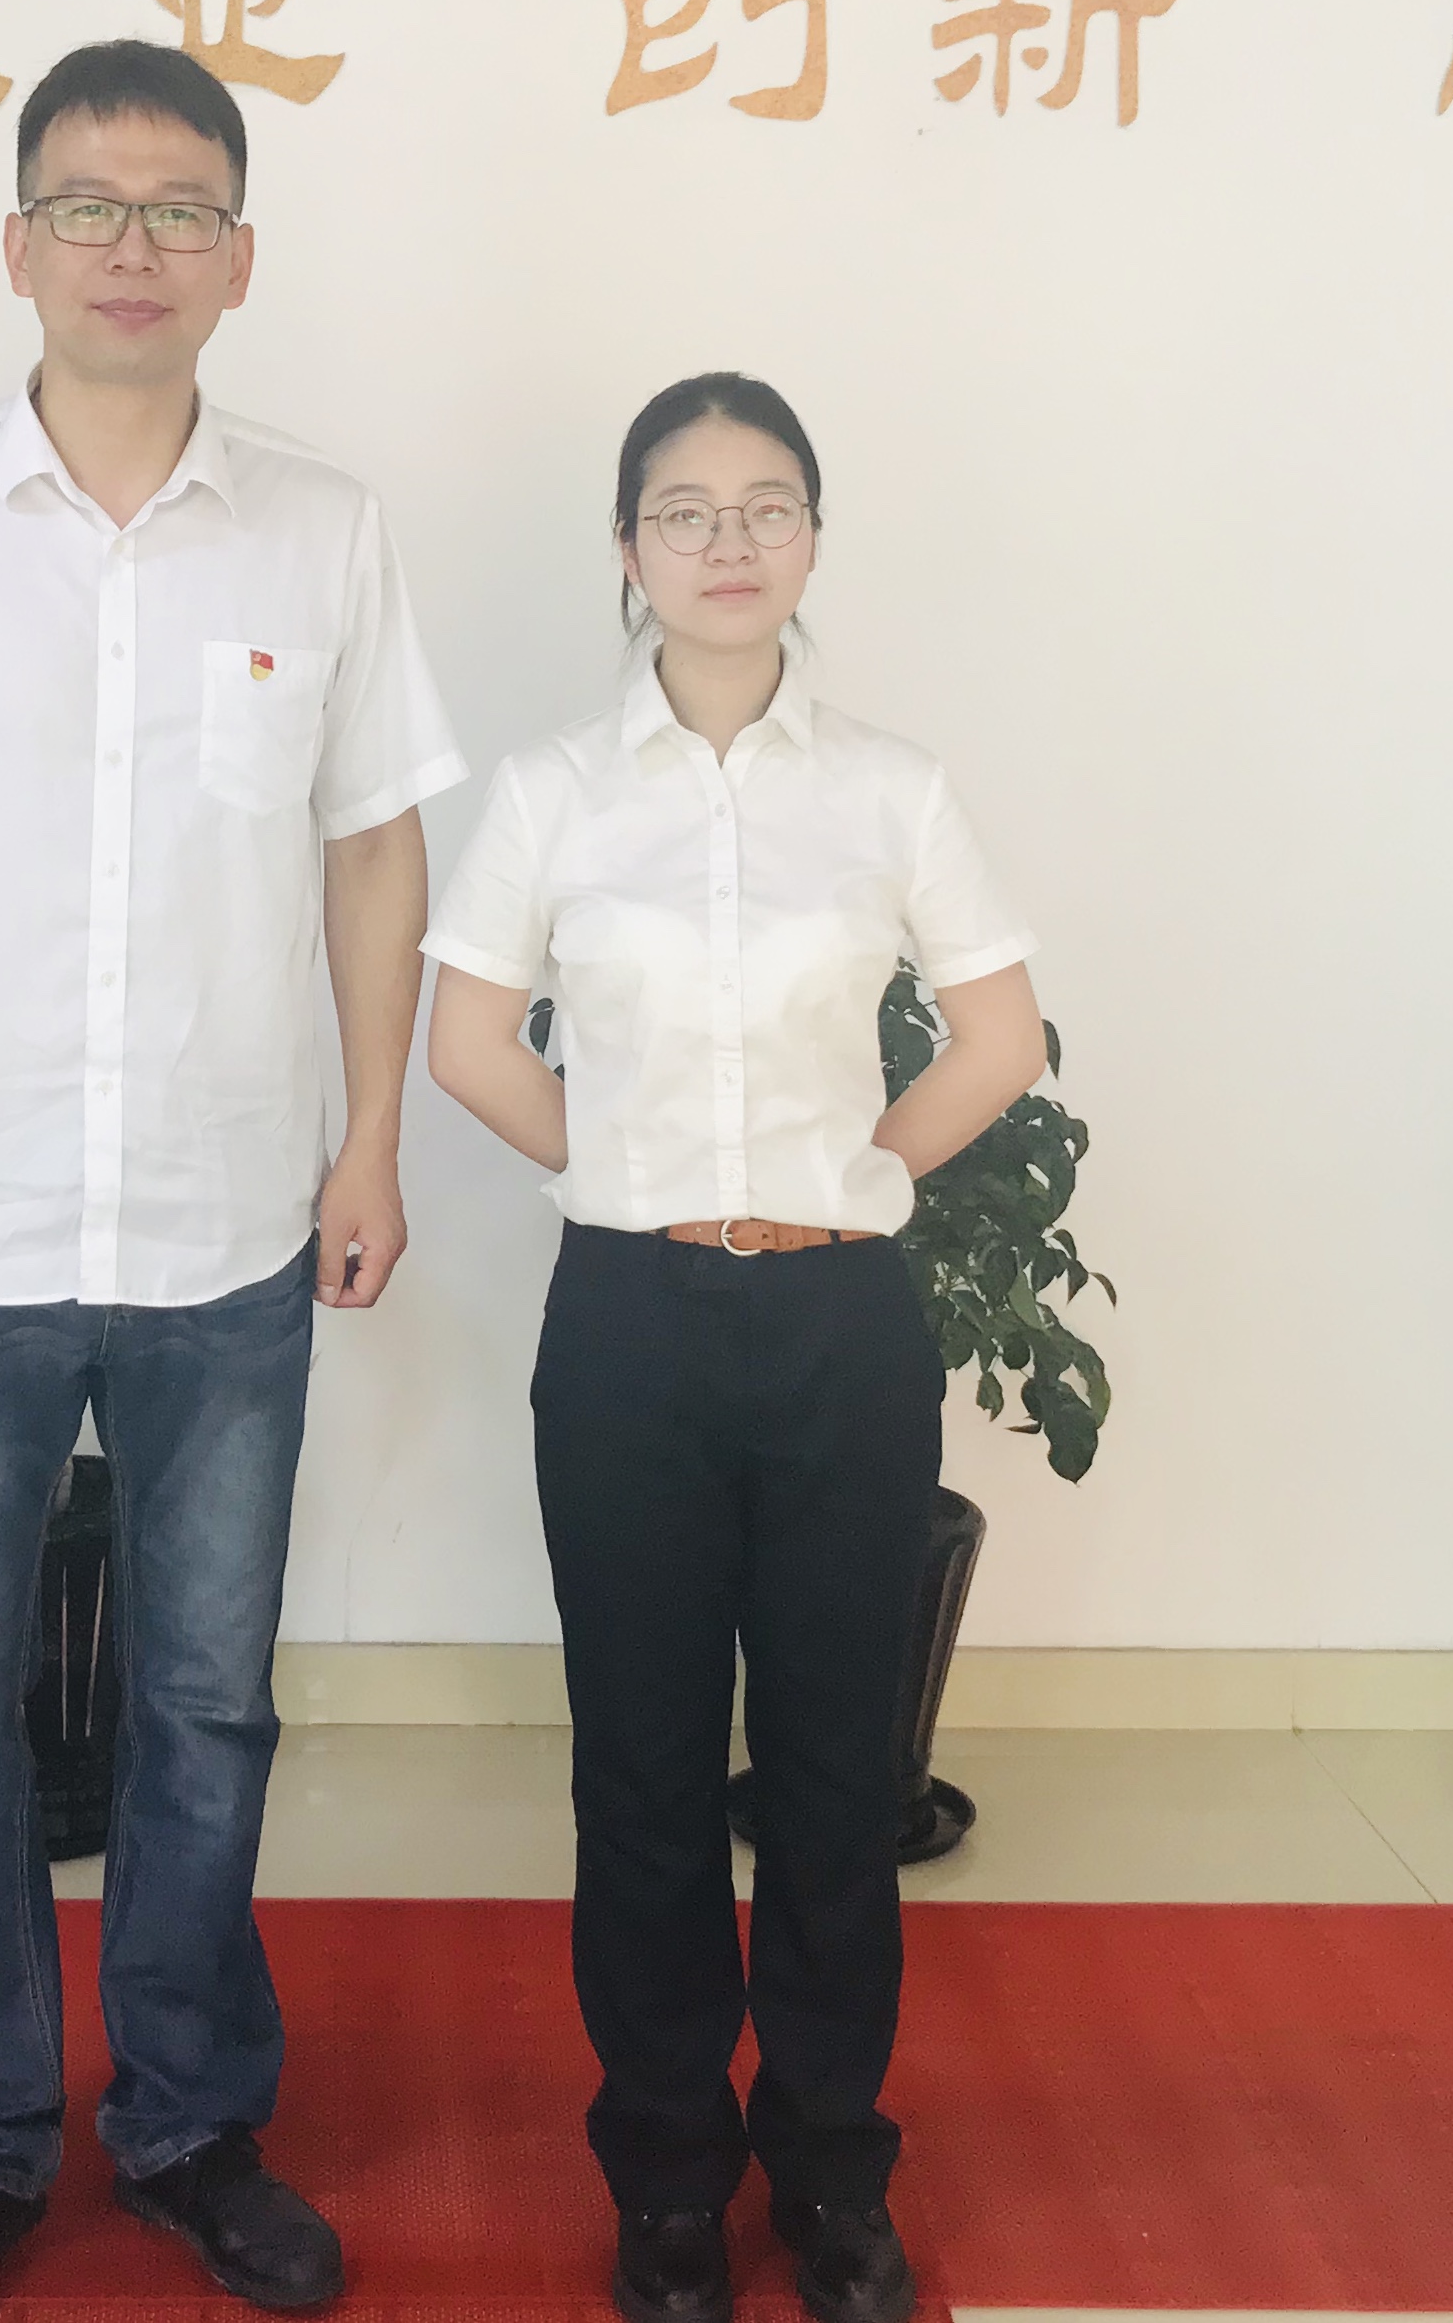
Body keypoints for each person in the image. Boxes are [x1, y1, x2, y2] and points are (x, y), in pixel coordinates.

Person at [0, 38, 466, 2323]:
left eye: (181, 209)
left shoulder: (323, 529)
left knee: (207, 1708)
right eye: (92, 206)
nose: (138, 246)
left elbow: (374, 845)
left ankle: (194, 2123)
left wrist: (370, 1134)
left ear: (243, 256)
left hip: (230, 1228)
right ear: (17, 243)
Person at [420, 375, 1045, 2323]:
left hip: (842, 1329)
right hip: (631, 1327)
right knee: (643, 1774)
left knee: (839, 1777)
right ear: (626, 550)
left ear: (813, 540)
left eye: (767, 506)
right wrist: (621, 1173)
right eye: (683, 511)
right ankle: (671, 2178)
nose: (727, 543)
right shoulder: (553, 790)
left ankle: (836, 2169)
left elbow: (999, 1035)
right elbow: (467, 1043)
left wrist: (864, 1176)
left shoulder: (891, 788)